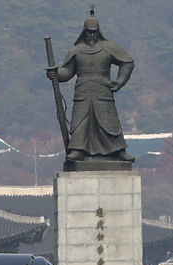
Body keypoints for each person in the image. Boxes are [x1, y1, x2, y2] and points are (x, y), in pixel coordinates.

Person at [45, 12, 135, 163]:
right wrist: (56, 75)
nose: (91, 35)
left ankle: (118, 151)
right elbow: (67, 72)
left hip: (103, 90)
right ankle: (78, 150)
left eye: (94, 32)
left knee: (109, 121)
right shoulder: (77, 50)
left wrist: (120, 81)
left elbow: (128, 62)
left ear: (99, 31)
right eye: (88, 32)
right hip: (83, 91)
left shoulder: (108, 47)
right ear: (83, 32)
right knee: (80, 121)